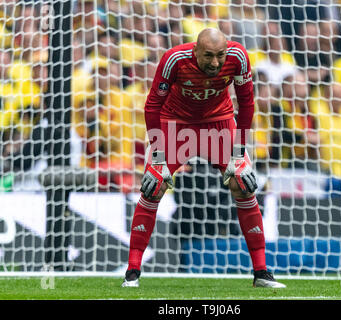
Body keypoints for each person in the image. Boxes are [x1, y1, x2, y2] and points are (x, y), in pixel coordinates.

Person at [122, 28, 286, 289]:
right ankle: (132, 272)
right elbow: (152, 105)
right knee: (154, 186)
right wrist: (158, 154)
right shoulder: (173, 59)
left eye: (220, 56)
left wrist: (238, 151)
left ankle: (262, 273)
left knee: (243, 185)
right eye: (208, 56)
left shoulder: (239, 57)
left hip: (218, 125)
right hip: (176, 125)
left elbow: (247, 104)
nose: (215, 62)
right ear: (195, 50)